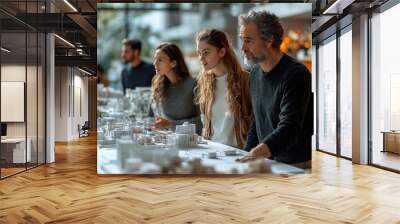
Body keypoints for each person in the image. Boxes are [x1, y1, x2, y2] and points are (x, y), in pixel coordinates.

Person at [237, 10, 313, 168]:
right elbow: (256, 123)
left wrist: (258, 152)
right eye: (242, 40)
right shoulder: (255, 73)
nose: (243, 47)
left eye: (249, 41)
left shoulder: (296, 74)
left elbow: (290, 126)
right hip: (269, 161)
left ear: (269, 40)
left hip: (296, 165)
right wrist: (245, 155)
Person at [195, 29, 252, 148]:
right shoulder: (206, 83)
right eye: (199, 53)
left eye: (206, 52)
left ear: (221, 52)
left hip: (239, 151)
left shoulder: (245, 80)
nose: (201, 58)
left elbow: (254, 122)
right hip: (213, 151)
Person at [151, 43, 202, 135]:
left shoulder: (194, 84)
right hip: (168, 141)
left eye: (160, 60)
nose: (155, 63)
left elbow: (202, 122)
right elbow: (155, 118)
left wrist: (171, 124)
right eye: (155, 59)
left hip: (191, 142)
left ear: (173, 63)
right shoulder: (159, 85)